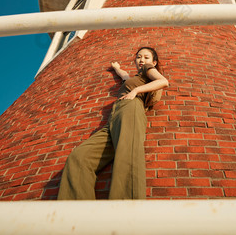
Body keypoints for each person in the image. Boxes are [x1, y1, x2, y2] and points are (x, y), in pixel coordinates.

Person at [57, 46, 169, 200]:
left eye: (146, 57)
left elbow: (163, 81)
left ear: (154, 62)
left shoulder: (147, 70)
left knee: (127, 153)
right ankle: (78, 218)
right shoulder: (134, 79)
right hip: (114, 117)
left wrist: (135, 92)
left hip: (130, 108)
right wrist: (117, 68)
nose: (141, 60)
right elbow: (124, 75)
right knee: (79, 159)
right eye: (138, 57)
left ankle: (126, 216)